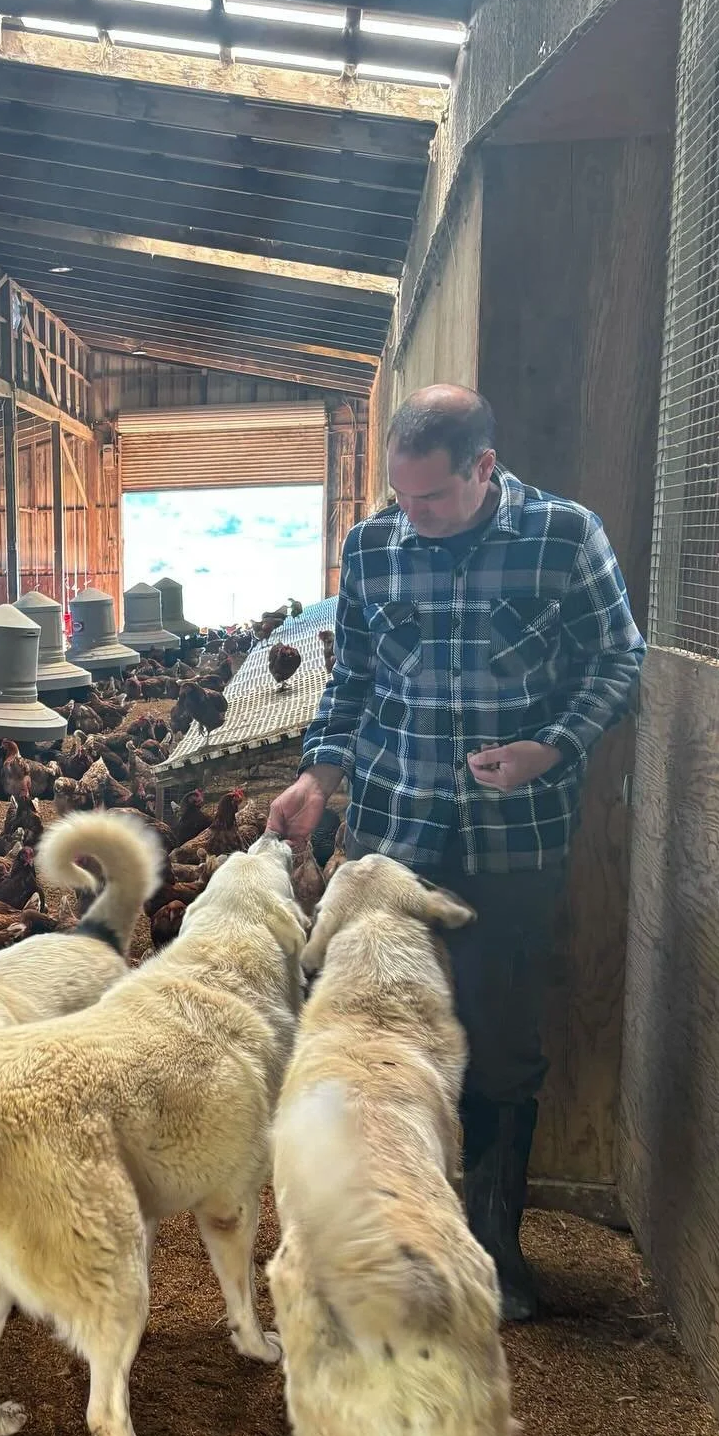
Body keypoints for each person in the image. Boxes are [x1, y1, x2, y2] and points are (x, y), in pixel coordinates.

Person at [269, 384, 644, 1320]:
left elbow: (620, 662)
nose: (414, 517)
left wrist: (551, 746)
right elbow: (352, 677)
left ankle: (492, 1246)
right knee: (374, 1041)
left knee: (504, 1037)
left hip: (513, 840)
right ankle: (381, 1238)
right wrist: (318, 777)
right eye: (401, 498)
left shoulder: (565, 537)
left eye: (431, 498)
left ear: (485, 467)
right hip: (393, 838)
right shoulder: (373, 547)